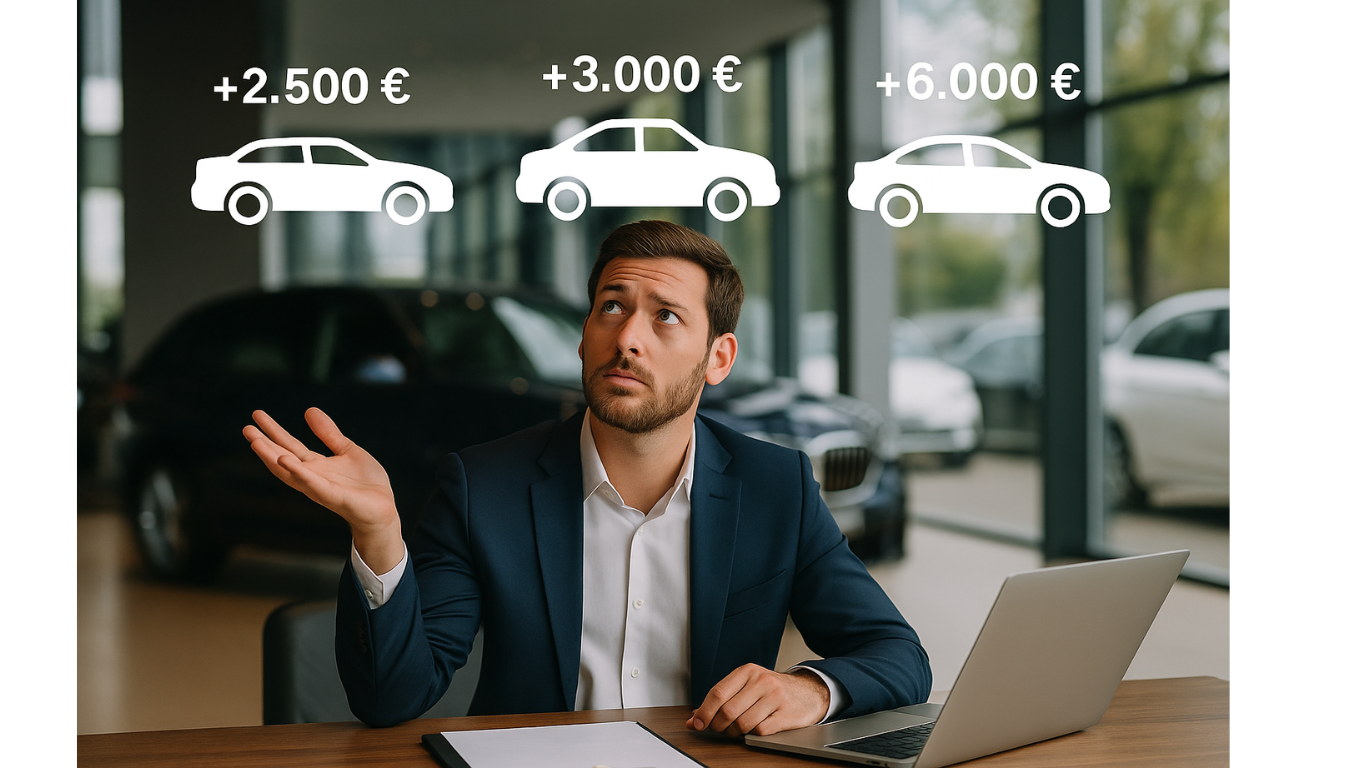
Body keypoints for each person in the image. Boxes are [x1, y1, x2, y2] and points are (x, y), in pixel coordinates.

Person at [244, 220, 930, 735]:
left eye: (665, 316)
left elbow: (897, 655)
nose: (628, 336)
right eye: (612, 306)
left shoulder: (775, 485)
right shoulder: (484, 485)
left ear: (718, 358)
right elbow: (392, 698)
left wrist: (814, 690)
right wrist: (378, 534)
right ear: (583, 338)